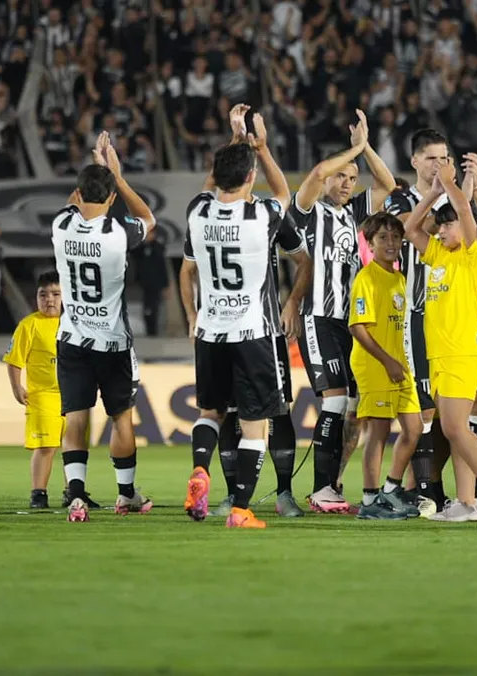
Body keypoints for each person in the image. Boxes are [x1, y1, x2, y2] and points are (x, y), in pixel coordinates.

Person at [181, 105, 311, 524]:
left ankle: (200, 468)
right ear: (250, 177)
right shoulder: (262, 216)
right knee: (256, 425)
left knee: (210, 414)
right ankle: (240, 509)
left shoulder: (197, 212)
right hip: (252, 332)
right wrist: (260, 145)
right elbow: (284, 194)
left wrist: (235, 141)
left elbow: (209, 186)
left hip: (210, 329)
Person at [293, 109, 395, 513]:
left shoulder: (355, 214)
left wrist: (366, 147)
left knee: (354, 409)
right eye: (343, 178)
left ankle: (332, 483)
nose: (347, 185)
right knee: (335, 403)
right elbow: (317, 173)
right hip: (319, 318)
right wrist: (351, 148)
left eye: (353, 179)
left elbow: (387, 183)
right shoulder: (309, 210)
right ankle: (320, 490)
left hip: (350, 323)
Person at [52, 132, 156, 523]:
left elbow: (71, 206)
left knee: (76, 417)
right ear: (112, 198)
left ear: (78, 193)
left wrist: (95, 171)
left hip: (73, 339)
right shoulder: (117, 234)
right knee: (121, 418)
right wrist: (118, 176)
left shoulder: (61, 225)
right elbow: (150, 221)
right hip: (112, 343)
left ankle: (76, 496)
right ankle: (125, 495)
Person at [405, 160, 477, 523]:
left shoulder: (474, 254)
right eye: (442, 223)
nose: (442, 230)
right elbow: (409, 227)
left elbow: (466, 209)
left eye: (448, 224)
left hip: (462, 352)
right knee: (456, 430)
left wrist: (451, 185)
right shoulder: (438, 254)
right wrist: (434, 193)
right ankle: (465, 501)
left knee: (452, 427)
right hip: (440, 355)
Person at [383, 128, 451, 509]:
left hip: (452, 314)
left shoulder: (453, 198)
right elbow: (417, 230)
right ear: (414, 161)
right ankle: (421, 489)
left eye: (443, 158)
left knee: (452, 407)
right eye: (430, 158)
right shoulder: (399, 198)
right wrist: (440, 195)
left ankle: (429, 486)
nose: (438, 165)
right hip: (416, 312)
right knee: (424, 406)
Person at [349, 212, 423, 520]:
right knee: (378, 430)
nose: (391, 243)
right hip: (375, 363)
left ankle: (391, 489)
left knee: (414, 427)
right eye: (383, 238)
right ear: (370, 243)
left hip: (399, 364)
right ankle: (369, 501)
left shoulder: (399, 278)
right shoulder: (366, 278)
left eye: (395, 237)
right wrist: (387, 360)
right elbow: (358, 327)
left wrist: (400, 361)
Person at [3, 271, 64, 509]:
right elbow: (14, 359)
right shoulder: (29, 325)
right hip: (43, 396)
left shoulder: (74, 322)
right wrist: (16, 386)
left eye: (56, 294)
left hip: (73, 396)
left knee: (73, 447)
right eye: (43, 294)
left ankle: (74, 492)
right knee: (46, 446)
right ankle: (38, 493)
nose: (49, 299)